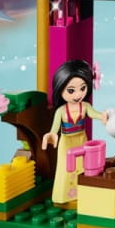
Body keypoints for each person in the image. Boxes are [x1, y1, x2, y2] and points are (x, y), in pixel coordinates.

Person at [41, 60, 108, 206]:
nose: (78, 94)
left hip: (81, 140)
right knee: (66, 169)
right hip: (67, 143)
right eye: (71, 91)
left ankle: (82, 194)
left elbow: (94, 114)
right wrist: (51, 135)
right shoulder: (61, 111)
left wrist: (103, 116)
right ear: (60, 89)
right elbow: (54, 128)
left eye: (82, 88)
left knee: (83, 167)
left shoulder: (85, 106)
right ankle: (63, 197)